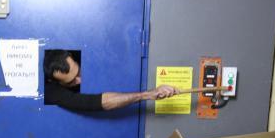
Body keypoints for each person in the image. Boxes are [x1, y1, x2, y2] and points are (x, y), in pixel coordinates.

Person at [43, 50, 178, 111]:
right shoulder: (52, 92)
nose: (80, 80)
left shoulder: (76, 56)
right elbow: (95, 102)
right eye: (71, 81)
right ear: (56, 82)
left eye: (79, 72)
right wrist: (147, 94)